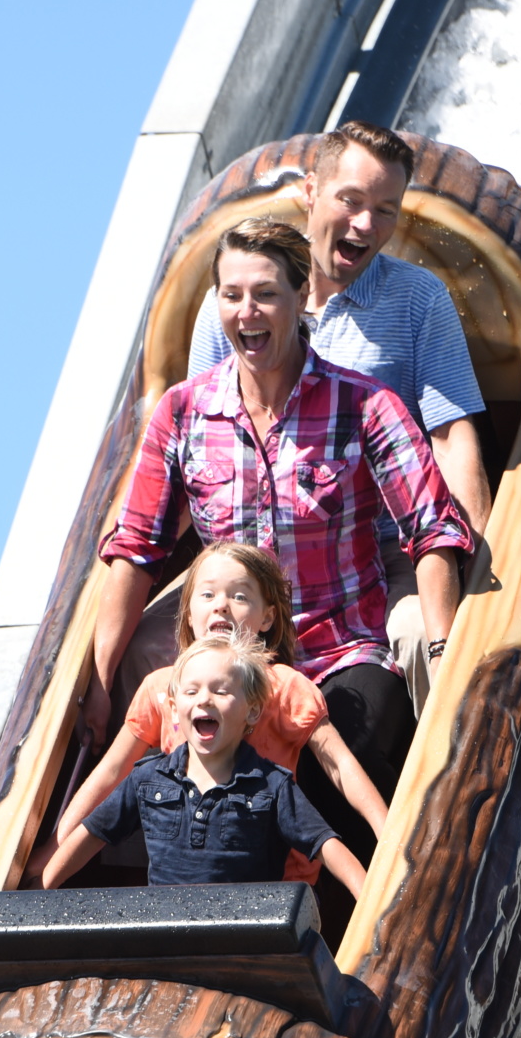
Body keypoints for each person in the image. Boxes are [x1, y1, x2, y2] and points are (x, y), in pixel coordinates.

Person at [86, 217, 472, 862]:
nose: (247, 311)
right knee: (188, 767)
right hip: (222, 665)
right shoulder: (184, 411)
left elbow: (431, 528)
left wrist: (443, 644)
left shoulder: (365, 404)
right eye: (231, 295)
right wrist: (97, 683)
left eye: (265, 293)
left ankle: (354, 913)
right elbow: (137, 547)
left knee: (357, 739)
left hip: (336, 647)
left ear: (302, 298)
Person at [187, 119, 494, 711]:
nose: (365, 224)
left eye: (385, 209)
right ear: (310, 192)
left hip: (381, 552)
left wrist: (477, 563)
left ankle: (441, 789)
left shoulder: (416, 300)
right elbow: (196, 443)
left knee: (421, 637)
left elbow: (452, 437)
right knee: (164, 654)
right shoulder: (234, 304)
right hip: (254, 563)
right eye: (351, 201)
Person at [42, 542, 389, 889]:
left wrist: (387, 829)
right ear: (189, 615)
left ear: (267, 617)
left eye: (239, 597)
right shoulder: (161, 688)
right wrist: (52, 850)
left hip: (277, 886)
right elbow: (111, 773)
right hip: (188, 881)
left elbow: (340, 764)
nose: (221, 605)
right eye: (207, 595)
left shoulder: (283, 687)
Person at [41, 636, 368, 897]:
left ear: (252, 712)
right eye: (192, 690)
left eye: (221, 690)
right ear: (173, 708)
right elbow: (93, 833)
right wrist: (43, 888)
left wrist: (366, 895)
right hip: (166, 939)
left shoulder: (271, 785)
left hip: (246, 939)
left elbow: (324, 844)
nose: (204, 699)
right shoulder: (149, 780)